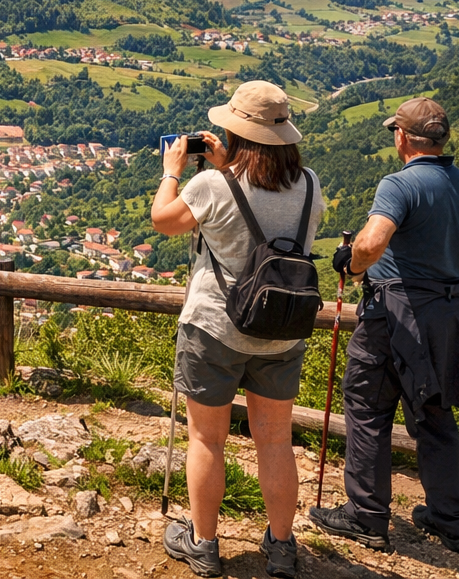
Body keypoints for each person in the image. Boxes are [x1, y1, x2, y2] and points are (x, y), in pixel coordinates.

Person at [310, 98, 459, 554]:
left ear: (402, 136)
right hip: (449, 314)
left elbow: (372, 242)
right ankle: (450, 520)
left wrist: (352, 263)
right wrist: (450, 285)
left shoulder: (399, 184)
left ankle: (366, 516)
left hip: (394, 314)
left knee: (368, 405)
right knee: (436, 414)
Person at [151, 80, 320, 579]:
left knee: (207, 440)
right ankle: (282, 546)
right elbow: (265, 219)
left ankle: (203, 545)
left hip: (215, 327)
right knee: (275, 440)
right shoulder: (309, 183)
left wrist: (171, 172)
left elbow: (165, 219)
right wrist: (228, 170)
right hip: (281, 329)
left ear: (236, 131)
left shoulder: (211, 186)